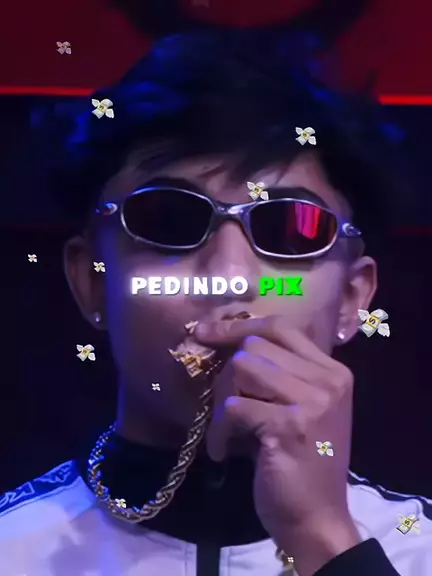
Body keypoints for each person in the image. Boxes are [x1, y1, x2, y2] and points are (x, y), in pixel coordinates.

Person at [0, 29, 430, 576]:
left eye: (289, 228)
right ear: (92, 281)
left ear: (352, 299)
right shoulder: (14, 549)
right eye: (168, 221)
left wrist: (323, 539)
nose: (229, 278)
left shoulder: (417, 548)